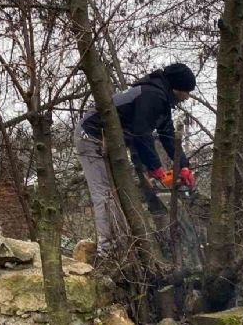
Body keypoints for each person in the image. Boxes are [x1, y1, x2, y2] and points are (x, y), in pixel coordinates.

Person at [75, 63, 196, 254]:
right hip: (91, 136)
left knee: (121, 191)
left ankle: (123, 243)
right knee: (104, 194)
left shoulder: (162, 102)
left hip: (114, 141)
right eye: (186, 92)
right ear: (176, 87)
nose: (187, 96)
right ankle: (107, 250)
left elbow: (168, 136)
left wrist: (183, 165)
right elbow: (142, 134)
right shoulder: (151, 95)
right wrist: (155, 168)